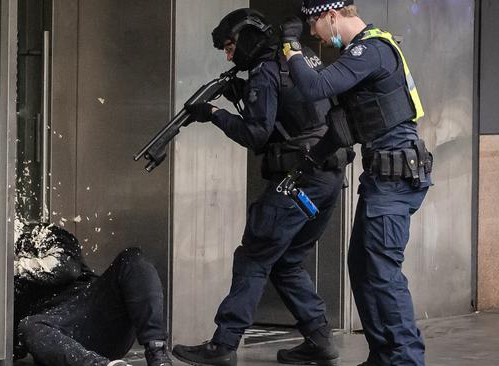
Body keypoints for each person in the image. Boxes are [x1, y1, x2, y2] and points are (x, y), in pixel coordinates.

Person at [173, 8, 351, 366]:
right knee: (286, 260)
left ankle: (223, 345)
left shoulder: (265, 70)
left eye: (229, 46)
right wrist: (244, 92)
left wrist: (214, 115)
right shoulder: (301, 57)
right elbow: (295, 110)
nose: (228, 55)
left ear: (247, 38)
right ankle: (318, 338)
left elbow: (255, 133)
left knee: (254, 255)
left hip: (298, 180)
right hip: (328, 179)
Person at [280, 1, 433, 365]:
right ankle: (383, 355)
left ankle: (406, 359)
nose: (314, 34)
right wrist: (310, 161)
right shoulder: (361, 55)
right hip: (383, 177)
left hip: (395, 177)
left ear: (332, 16)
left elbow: (312, 87)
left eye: (314, 25)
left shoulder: (372, 50)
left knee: (381, 271)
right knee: (362, 267)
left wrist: (291, 47)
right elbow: (345, 125)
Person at [13, 223, 172, 366]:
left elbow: (65, 268)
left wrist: (13, 268)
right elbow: (14, 348)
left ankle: (157, 351)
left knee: (131, 258)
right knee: (28, 326)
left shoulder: (37, 234)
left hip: (92, 310)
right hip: (58, 338)